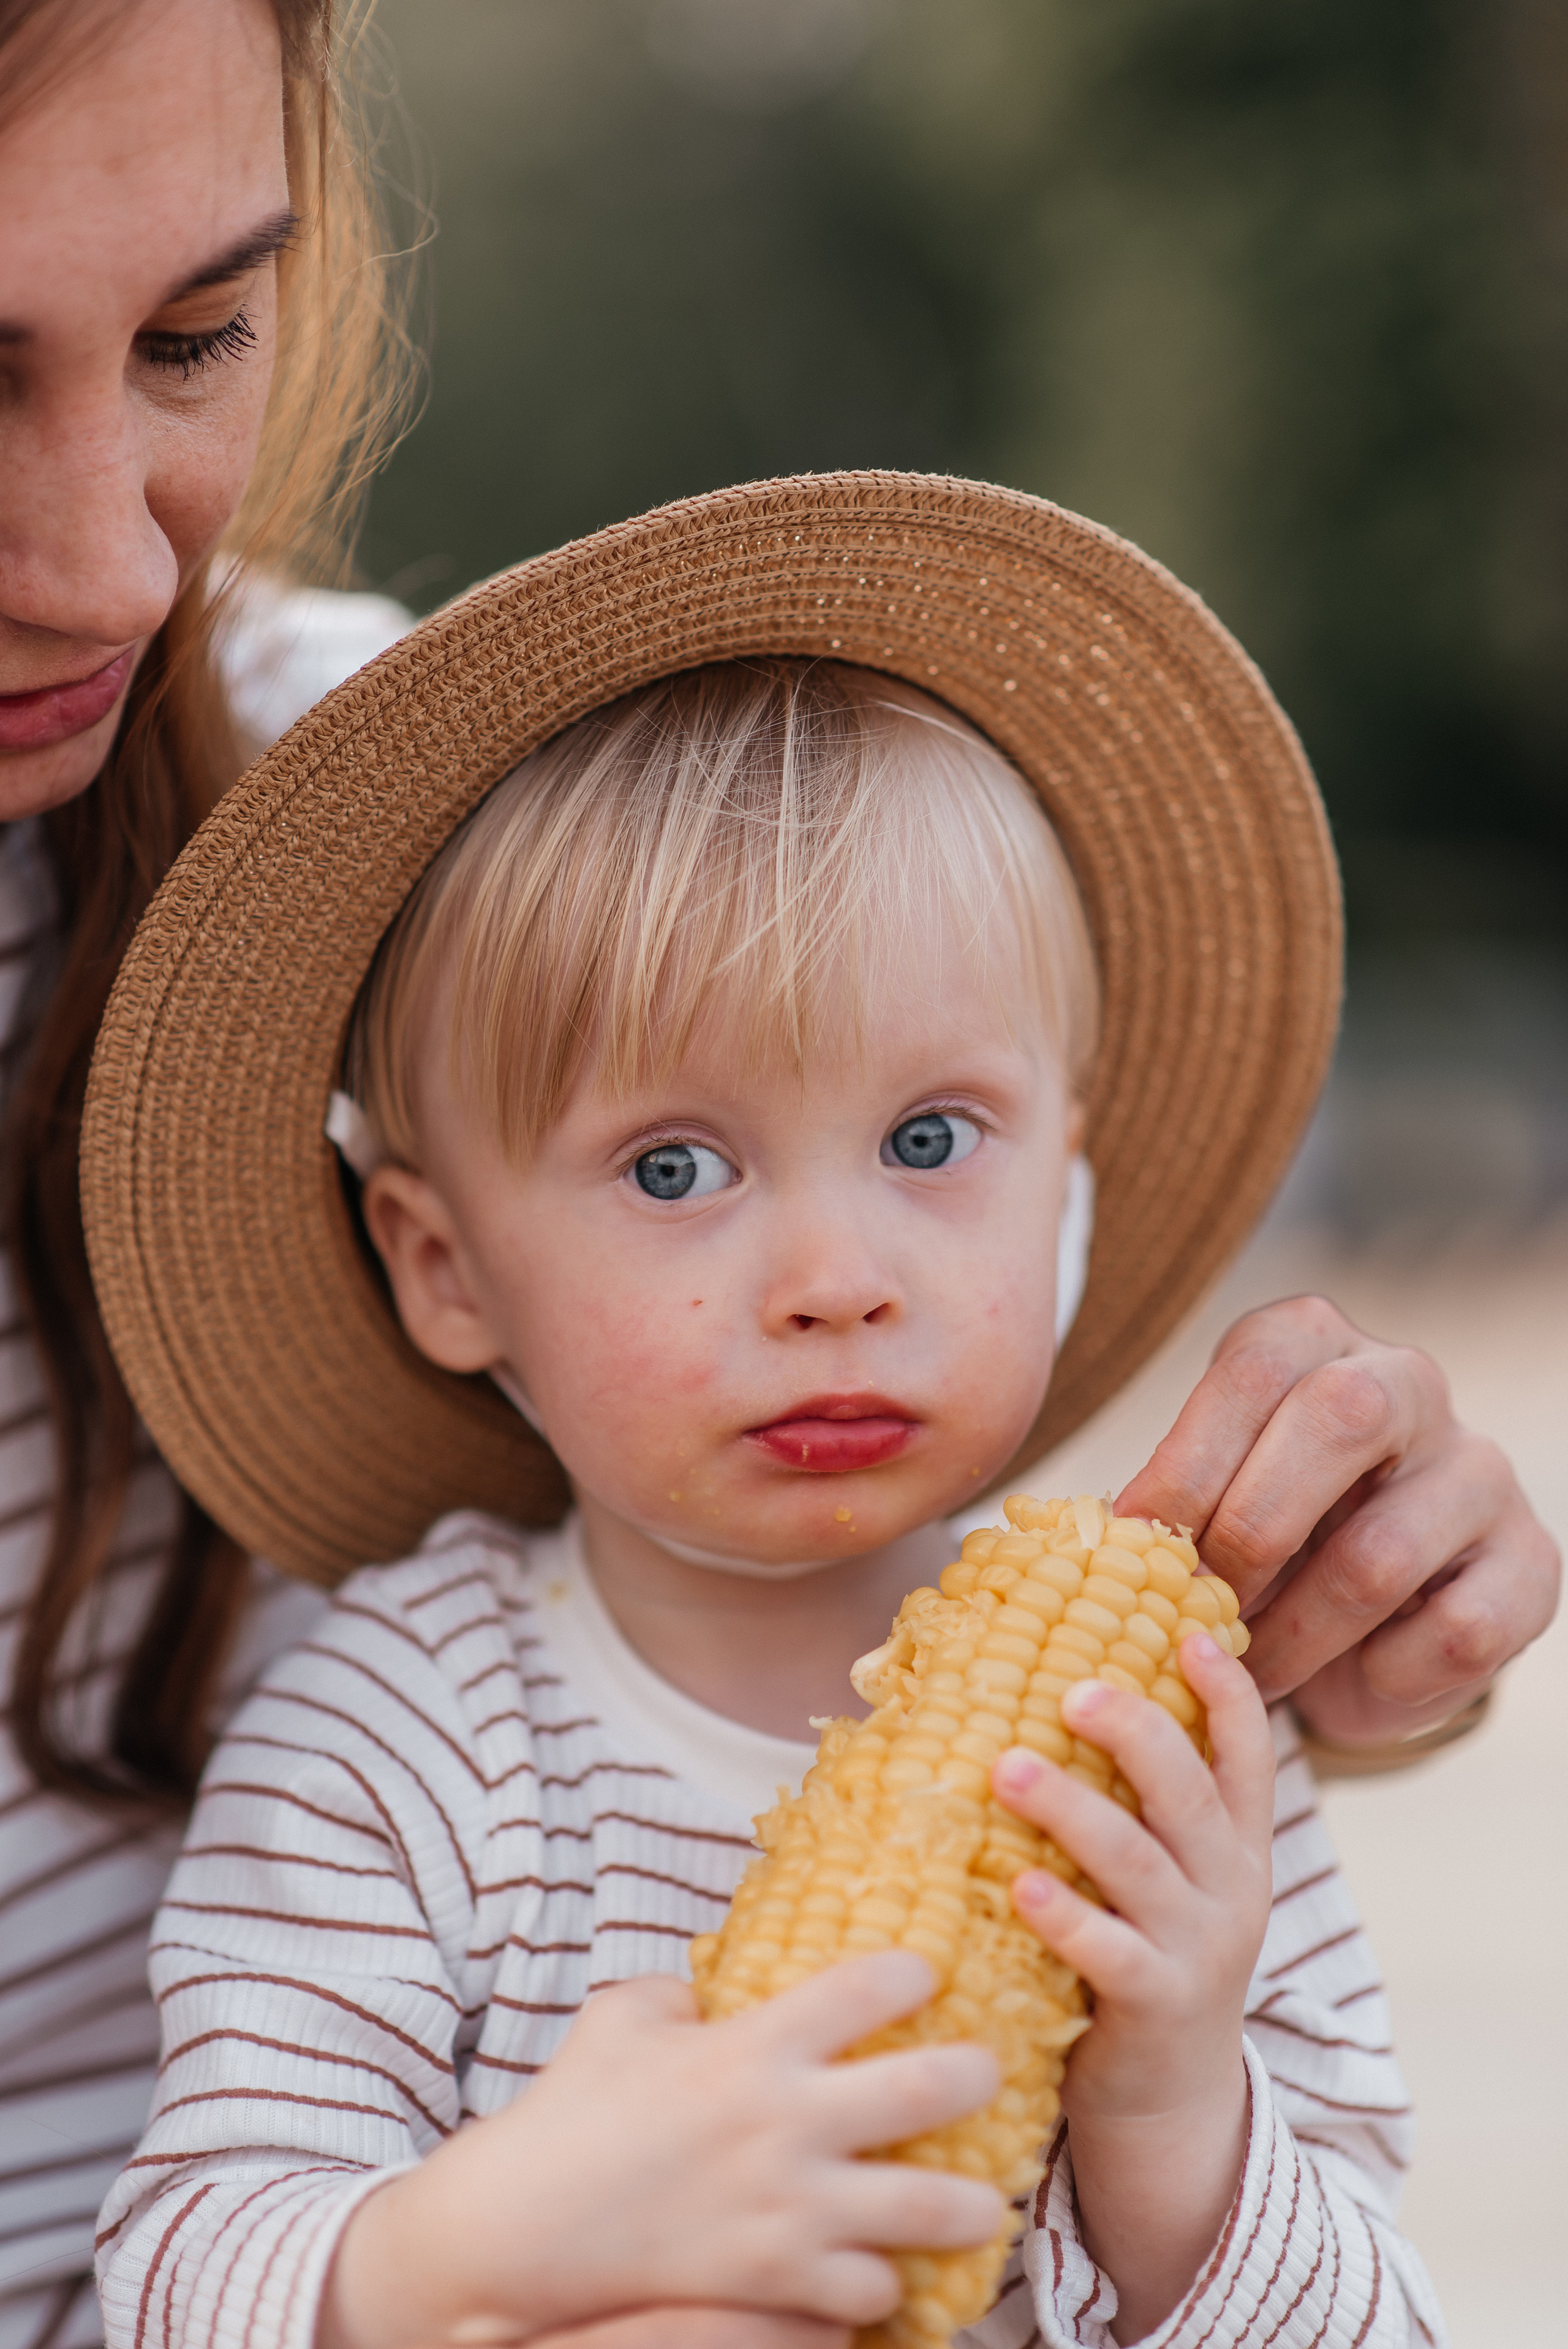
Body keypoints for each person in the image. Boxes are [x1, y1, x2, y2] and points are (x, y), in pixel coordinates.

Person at [0, 2, 1553, 2343]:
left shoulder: (1165, 1779)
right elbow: (189, 2256)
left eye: (202, 332)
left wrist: (1175, 2129)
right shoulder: (410, 1744)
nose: (834, 1270)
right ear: (430, 1262)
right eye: (677, 1172)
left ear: (1080, 1191)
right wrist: (462, 2252)